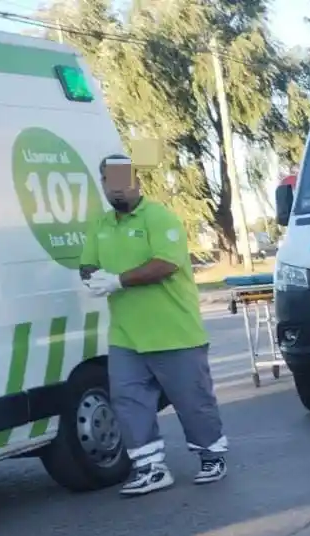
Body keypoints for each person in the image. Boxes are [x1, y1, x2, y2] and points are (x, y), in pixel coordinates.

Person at [78, 154, 229, 495]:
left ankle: (211, 456)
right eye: (109, 181)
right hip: (126, 336)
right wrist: (92, 277)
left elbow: (166, 264)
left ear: (137, 181)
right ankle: (150, 467)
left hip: (174, 332)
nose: (117, 188)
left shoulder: (159, 218)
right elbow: (87, 264)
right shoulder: (100, 225)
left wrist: (117, 280)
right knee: (128, 401)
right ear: (103, 185)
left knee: (192, 401)